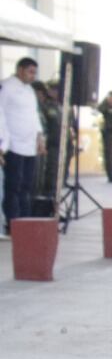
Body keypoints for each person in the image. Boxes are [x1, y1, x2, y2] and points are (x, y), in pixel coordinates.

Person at [1, 58, 44, 231]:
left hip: (29, 146)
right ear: (20, 70)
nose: (32, 76)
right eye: (30, 72)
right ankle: (13, 223)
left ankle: (26, 223)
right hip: (13, 146)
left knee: (27, 187)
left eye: (34, 73)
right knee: (14, 186)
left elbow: (34, 116)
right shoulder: (6, 87)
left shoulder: (30, 90)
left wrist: (40, 138)